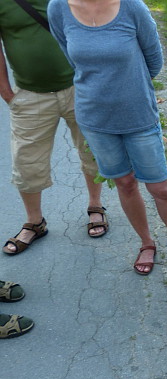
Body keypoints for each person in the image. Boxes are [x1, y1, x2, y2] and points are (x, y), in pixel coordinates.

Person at [47, 0, 167, 276]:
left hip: (138, 116)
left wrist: (128, 89)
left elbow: (154, 61)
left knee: (160, 189)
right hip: (94, 118)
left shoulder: (132, 6)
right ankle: (147, 243)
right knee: (124, 183)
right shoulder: (58, 8)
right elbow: (69, 56)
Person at [0, 0, 106, 256]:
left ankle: (95, 206)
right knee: (26, 163)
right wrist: (6, 92)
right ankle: (35, 222)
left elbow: (97, 27)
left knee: (91, 152)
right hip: (30, 94)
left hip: (80, 88)